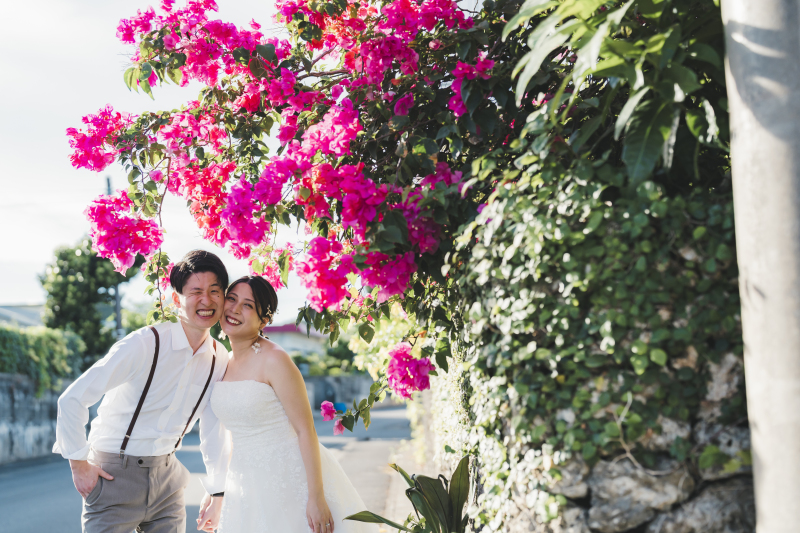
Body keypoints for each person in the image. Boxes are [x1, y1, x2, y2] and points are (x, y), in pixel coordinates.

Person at [54, 250, 232, 532]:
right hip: (115, 477)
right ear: (176, 299)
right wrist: (79, 464)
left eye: (215, 291)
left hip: (168, 481)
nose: (206, 300)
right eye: (195, 292)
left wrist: (217, 491)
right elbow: (72, 399)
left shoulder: (220, 358)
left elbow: (214, 432)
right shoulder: (146, 343)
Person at [197, 275, 376, 533]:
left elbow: (306, 430)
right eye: (232, 299)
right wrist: (218, 492)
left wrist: (315, 497)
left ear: (264, 320)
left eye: (248, 305)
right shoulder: (222, 361)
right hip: (244, 480)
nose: (234, 309)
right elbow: (230, 438)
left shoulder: (275, 359)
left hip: (288, 477)